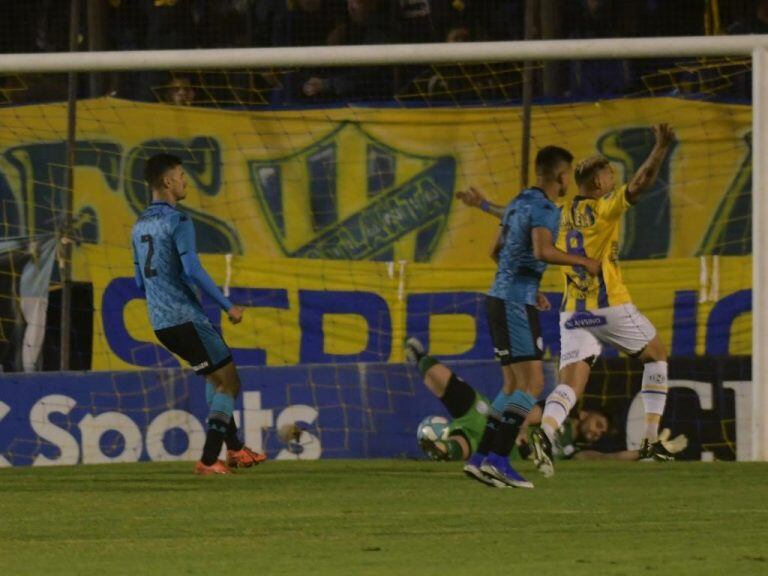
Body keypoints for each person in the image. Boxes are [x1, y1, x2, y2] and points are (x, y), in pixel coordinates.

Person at [459, 124, 677, 478]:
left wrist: (482, 204)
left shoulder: (555, 211)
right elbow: (642, 181)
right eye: (608, 174)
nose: (612, 178)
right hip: (610, 306)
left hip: (574, 314)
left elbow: (511, 217)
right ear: (598, 183)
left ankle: (544, 432)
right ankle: (651, 438)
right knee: (657, 356)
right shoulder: (605, 207)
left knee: (569, 387)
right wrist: (661, 148)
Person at [455, 146, 600, 489]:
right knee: (534, 385)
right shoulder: (547, 209)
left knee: (512, 385)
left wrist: (525, 284)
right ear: (562, 177)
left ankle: (479, 459)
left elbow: (496, 250)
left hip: (499, 298)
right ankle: (499, 461)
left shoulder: (521, 201)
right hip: (515, 304)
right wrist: (583, 263)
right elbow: (542, 250)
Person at [131, 153, 266, 475]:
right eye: (180, 175)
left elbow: (139, 282)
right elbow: (192, 269)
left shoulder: (138, 227)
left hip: (161, 323)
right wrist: (227, 306)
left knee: (214, 376)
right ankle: (208, 460)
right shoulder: (178, 221)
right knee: (229, 383)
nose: (184, 181)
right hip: (186, 317)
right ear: (167, 182)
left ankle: (235, 450)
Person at [406, 336, 688, 463]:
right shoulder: (559, 413)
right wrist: (522, 430)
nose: (597, 432)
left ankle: (443, 449)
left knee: (465, 445)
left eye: (601, 433)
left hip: (500, 448)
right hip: (498, 427)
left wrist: (647, 452)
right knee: (464, 395)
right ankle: (420, 359)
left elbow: (608, 457)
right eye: (599, 424)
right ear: (587, 413)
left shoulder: (572, 452)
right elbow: (529, 415)